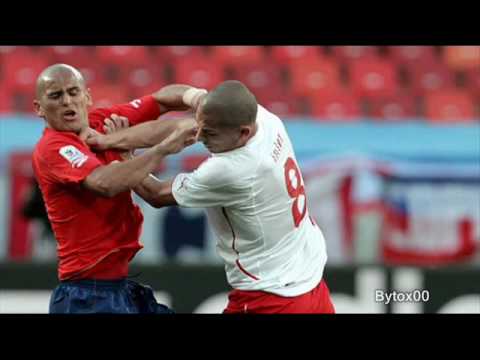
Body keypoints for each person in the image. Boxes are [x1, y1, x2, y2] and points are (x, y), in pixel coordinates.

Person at [87, 80, 335, 314]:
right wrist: (190, 97)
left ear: (243, 133)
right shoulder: (264, 118)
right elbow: (187, 103)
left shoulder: (233, 169)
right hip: (310, 278)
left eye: (211, 135)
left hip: (270, 296)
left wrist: (124, 155)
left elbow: (157, 194)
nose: (202, 138)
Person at [32, 63, 201, 313]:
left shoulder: (103, 122)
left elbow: (160, 100)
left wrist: (199, 99)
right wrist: (164, 148)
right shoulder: (53, 148)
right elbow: (105, 183)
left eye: (73, 92)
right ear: (39, 108)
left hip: (118, 288)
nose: (67, 101)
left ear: (87, 95)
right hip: (86, 295)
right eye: (56, 96)